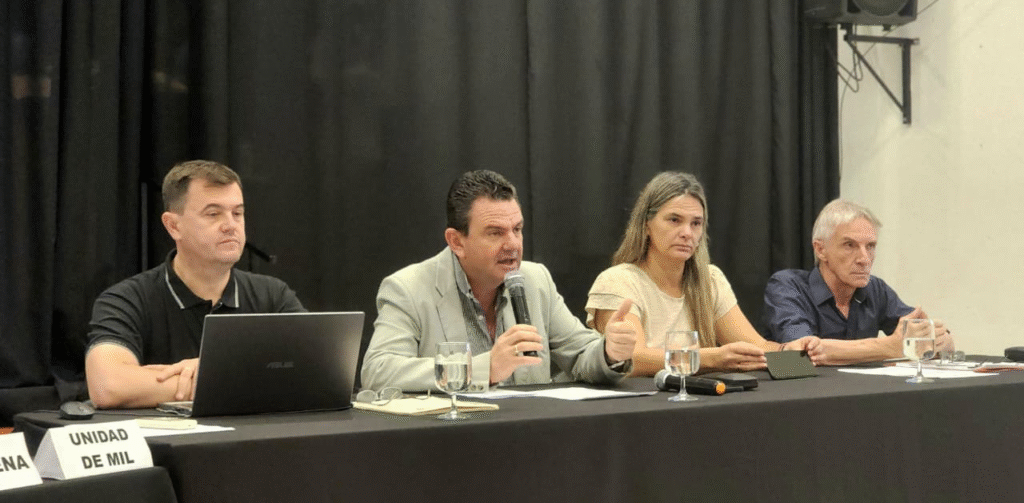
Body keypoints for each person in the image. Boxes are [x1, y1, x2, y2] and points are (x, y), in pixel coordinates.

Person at [360, 169, 637, 391]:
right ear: (456, 242)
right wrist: (484, 368)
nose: (513, 244)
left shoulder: (535, 280)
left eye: (517, 229)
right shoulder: (408, 288)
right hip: (451, 436)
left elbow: (580, 355)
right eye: (495, 233)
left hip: (528, 433)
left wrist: (610, 352)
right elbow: (378, 370)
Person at [85, 160, 305, 408]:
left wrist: (210, 374)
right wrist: (245, 378)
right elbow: (108, 386)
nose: (230, 225)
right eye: (213, 214)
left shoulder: (273, 296)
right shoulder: (126, 300)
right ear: (173, 226)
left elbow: (316, 371)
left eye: (237, 213)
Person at [587, 172, 815, 377]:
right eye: (674, 220)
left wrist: (791, 351)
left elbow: (757, 348)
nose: (687, 233)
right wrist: (712, 359)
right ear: (646, 225)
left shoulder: (710, 280)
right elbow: (630, 360)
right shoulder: (617, 281)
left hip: (697, 402)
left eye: (696, 223)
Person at [761, 199, 954, 365]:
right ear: (820, 250)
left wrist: (940, 340)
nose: (864, 259)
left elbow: (926, 338)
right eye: (849, 245)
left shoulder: (875, 288)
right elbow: (801, 352)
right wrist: (889, 347)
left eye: (870, 246)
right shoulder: (787, 286)